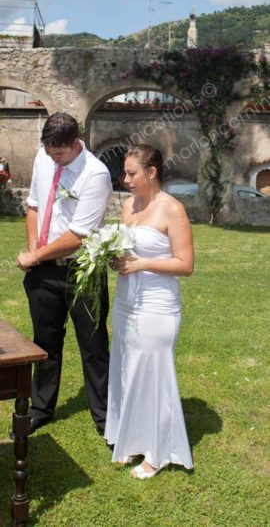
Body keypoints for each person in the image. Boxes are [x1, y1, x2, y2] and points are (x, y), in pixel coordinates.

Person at [16, 112, 112, 436]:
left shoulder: (96, 174)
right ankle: (40, 409)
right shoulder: (44, 159)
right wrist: (34, 252)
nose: (53, 159)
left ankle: (105, 419)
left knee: (94, 345)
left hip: (82, 270)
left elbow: (76, 236)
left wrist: (34, 255)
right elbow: (33, 207)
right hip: (43, 271)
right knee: (44, 343)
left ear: (76, 144)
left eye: (60, 154)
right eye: (49, 152)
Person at [104, 144, 194, 479]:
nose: (124, 178)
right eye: (124, 172)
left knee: (153, 372)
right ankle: (132, 438)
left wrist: (143, 263)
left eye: (131, 173)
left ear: (151, 173)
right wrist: (115, 258)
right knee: (128, 369)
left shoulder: (172, 209)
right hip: (126, 302)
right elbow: (126, 249)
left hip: (157, 306)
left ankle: (158, 452)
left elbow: (185, 265)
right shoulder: (128, 205)